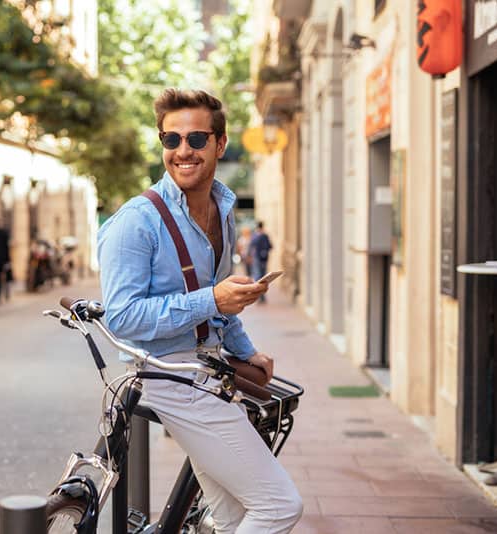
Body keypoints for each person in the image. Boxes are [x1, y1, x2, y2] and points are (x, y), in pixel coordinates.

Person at [98, 88, 302, 534]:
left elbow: (220, 303)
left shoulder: (222, 209)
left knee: (233, 517)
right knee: (279, 506)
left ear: (220, 143)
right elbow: (122, 318)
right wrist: (211, 299)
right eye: (171, 140)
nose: (183, 151)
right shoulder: (137, 221)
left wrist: (246, 351)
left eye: (196, 139)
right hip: (169, 377)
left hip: (208, 372)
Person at [248, 221, 272, 302]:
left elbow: (251, 246)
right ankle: (261, 296)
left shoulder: (256, 236)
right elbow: (270, 246)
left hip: (258, 258)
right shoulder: (264, 235)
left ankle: (260, 296)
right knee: (262, 276)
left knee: (259, 276)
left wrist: (249, 255)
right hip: (262, 259)